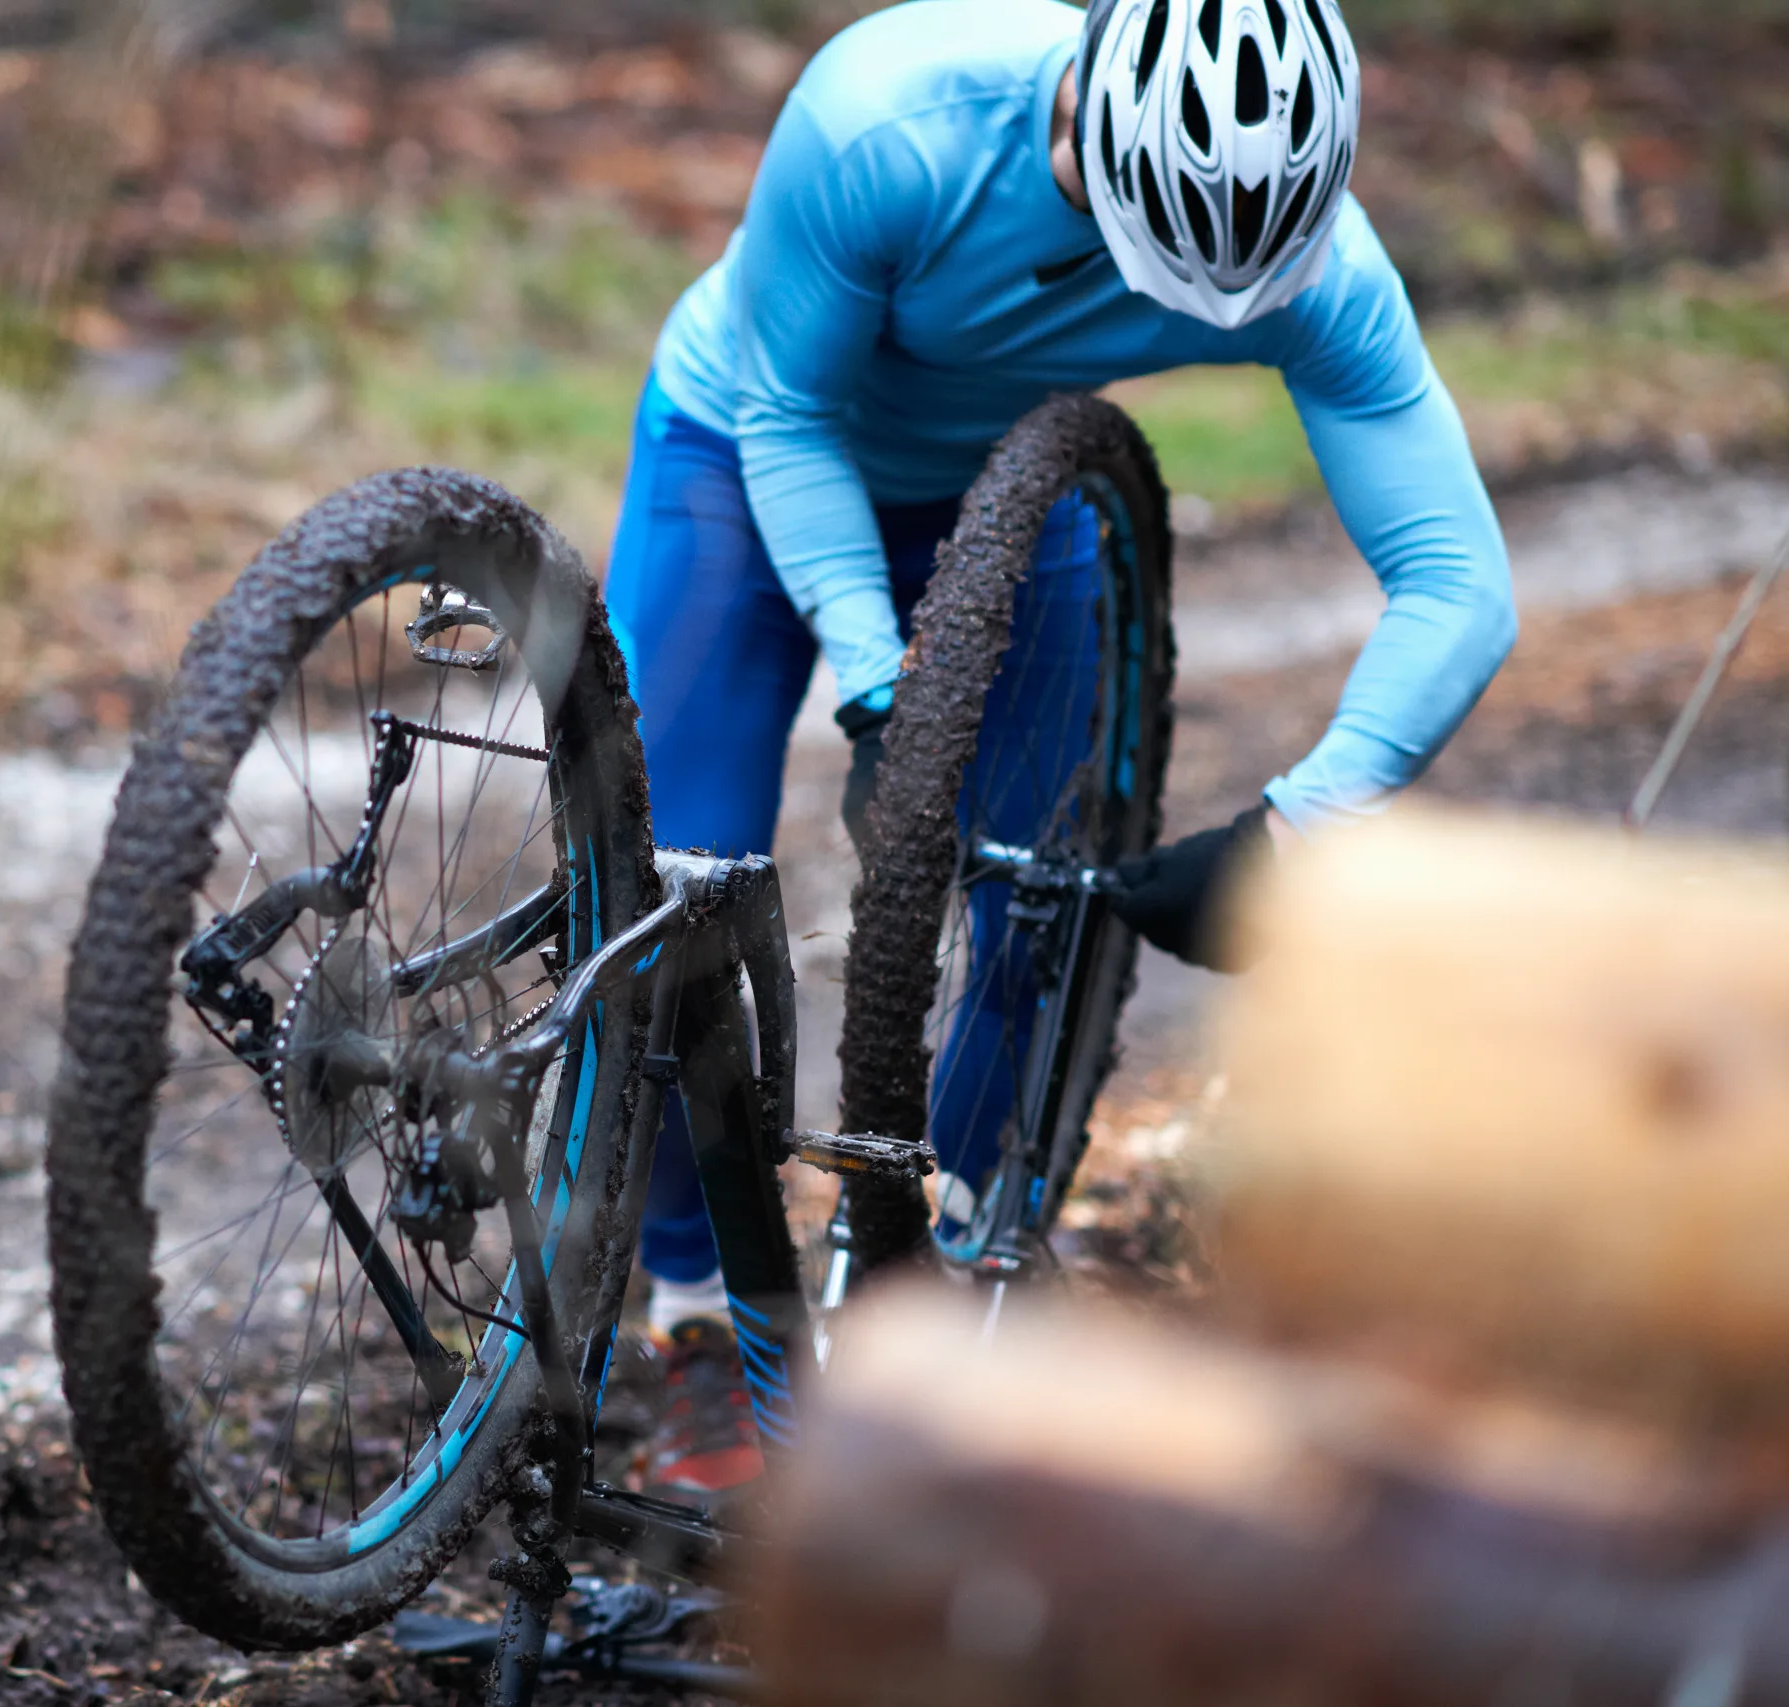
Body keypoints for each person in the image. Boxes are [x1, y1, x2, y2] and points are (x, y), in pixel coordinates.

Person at [605, 0, 1517, 1498]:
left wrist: (1304, 828)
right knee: (679, 887)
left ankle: (930, 1277)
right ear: (1086, 112)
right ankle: (700, 1306)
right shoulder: (887, 125)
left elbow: (1459, 582)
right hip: (747, 445)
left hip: (1012, 503)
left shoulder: (1320, 266)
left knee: (1038, 894)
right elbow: (789, 407)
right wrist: (877, 686)